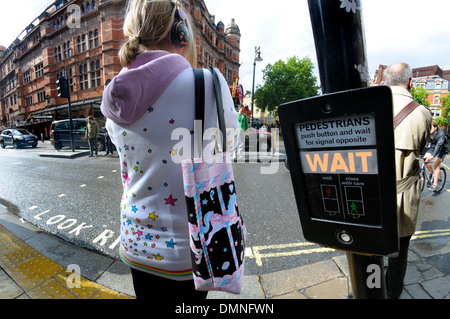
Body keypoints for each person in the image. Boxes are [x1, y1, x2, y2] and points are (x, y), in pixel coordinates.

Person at [100, 0, 239, 299]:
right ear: (181, 33)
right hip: (191, 248)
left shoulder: (113, 97)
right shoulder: (208, 83)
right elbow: (231, 146)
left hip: (136, 245)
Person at [384, 62, 432, 299]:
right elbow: (422, 148)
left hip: (371, 193)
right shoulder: (422, 113)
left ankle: (369, 289)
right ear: (410, 82)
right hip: (404, 194)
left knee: (369, 249)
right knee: (399, 253)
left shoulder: (368, 105)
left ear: (385, 81)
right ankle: (392, 293)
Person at [423, 120, 447, 192]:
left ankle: (435, 185)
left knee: (436, 164)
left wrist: (433, 155)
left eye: (430, 127)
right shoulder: (429, 133)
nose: (428, 129)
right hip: (434, 146)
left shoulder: (441, 133)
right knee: (425, 159)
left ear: (435, 128)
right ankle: (431, 172)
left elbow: (439, 145)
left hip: (443, 148)